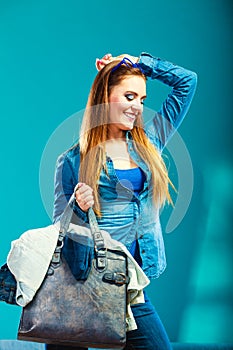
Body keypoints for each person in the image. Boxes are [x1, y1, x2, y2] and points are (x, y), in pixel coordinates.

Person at [47, 52, 197, 350]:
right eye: (129, 96)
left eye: (142, 99)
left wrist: (140, 63)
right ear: (106, 96)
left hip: (129, 286)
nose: (137, 107)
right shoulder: (73, 160)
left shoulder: (149, 142)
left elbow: (187, 82)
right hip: (82, 286)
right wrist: (79, 208)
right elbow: (59, 231)